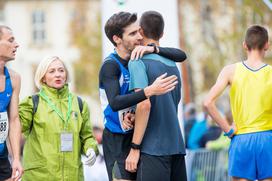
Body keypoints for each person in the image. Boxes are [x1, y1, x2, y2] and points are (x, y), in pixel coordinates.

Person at [100, 11, 186, 181]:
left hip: (138, 137)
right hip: (118, 139)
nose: (140, 36)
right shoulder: (110, 65)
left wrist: (153, 48)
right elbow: (116, 103)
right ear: (117, 38)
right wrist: (148, 91)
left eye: (139, 31)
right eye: (133, 33)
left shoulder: (139, 58)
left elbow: (181, 55)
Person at [204, 25, 272, 181]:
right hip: (268, 139)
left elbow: (208, 103)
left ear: (244, 45)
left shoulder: (230, 71)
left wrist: (227, 130)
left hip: (241, 140)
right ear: (267, 45)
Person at [19, 56, 97, 181]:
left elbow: (87, 136)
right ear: (43, 77)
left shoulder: (79, 103)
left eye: (61, 70)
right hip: (39, 176)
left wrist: (91, 149)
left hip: (72, 175)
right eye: (52, 71)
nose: (58, 75)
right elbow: (15, 127)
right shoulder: (32, 103)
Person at [0, 25, 23, 181]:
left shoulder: (14, 78)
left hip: (2, 156)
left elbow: (14, 119)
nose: (16, 45)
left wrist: (15, 158)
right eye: (11, 40)